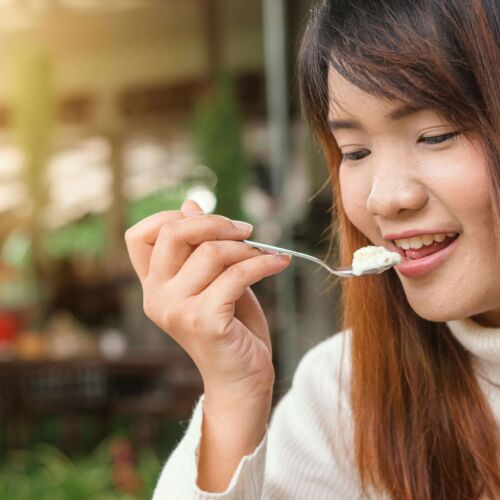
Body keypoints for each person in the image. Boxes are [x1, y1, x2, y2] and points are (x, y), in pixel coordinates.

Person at [124, 0, 500, 498]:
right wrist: (235, 396)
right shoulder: (348, 392)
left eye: (436, 135)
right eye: (355, 153)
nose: (382, 198)